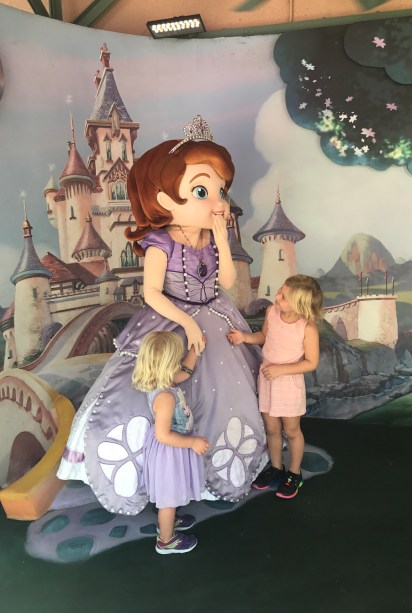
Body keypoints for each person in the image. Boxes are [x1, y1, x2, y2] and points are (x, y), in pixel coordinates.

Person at [57, 116, 266, 514]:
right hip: (169, 320)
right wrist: (187, 322)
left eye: (221, 191)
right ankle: (157, 473)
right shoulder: (160, 243)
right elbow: (152, 292)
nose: (218, 202)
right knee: (145, 389)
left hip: (216, 314)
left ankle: (215, 471)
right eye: (202, 191)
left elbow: (225, 281)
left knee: (230, 394)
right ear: (164, 198)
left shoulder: (210, 238)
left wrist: (222, 240)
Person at [227, 274, 323, 499]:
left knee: (291, 430)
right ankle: (276, 468)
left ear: (300, 305)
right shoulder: (272, 312)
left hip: (288, 383)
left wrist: (281, 370)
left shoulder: (307, 328)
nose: (277, 297)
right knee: (271, 428)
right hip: (268, 379)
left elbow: (311, 362)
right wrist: (244, 338)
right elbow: (264, 336)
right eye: (280, 291)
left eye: (284, 297)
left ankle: (294, 473)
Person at [131, 330, 209, 554]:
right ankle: (166, 540)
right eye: (177, 358)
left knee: (171, 492)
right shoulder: (165, 397)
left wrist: (194, 352)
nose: (179, 362)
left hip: (173, 447)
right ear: (169, 363)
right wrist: (192, 443)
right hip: (169, 449)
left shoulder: (163, 380)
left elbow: (184, 374)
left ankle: (169, 520)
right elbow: (163, 435)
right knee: (168, 497)